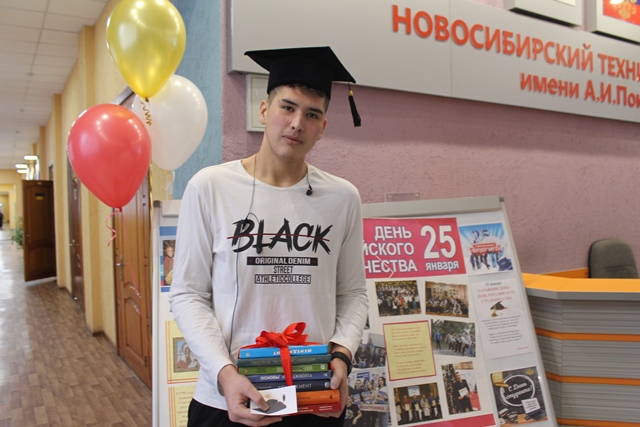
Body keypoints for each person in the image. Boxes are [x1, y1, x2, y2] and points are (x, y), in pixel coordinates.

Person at [169, 46, 369, 427]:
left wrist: (342, 354)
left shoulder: (343, 198)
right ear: (263, 110)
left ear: (323, 127)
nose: (297, 123)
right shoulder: (209, 188)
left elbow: (353, 293)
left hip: (313, 396)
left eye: (312, 115)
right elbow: (188, 294)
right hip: (226, 399)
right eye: (287, 107)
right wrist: (225, 373)